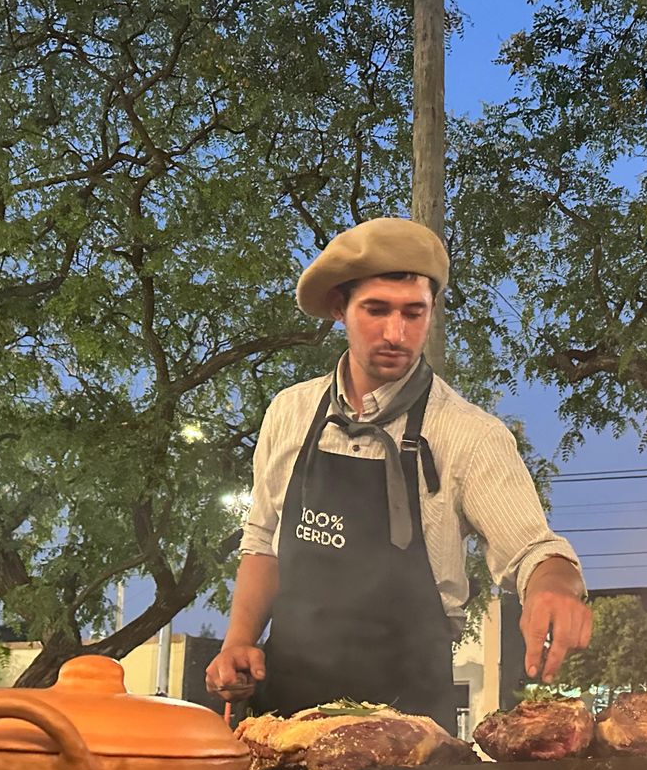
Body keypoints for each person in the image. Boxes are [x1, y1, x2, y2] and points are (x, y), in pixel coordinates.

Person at [206, 218, 593, 724]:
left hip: (410, 724)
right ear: (339, 308)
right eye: (376, 310)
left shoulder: (469, 435)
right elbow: (262, 542)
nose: (396, 333)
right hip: (284, 712)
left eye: (414, 313)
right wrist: (238, 642)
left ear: (432, 313)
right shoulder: (290, 412)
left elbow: (532, 550)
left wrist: (554, 587)